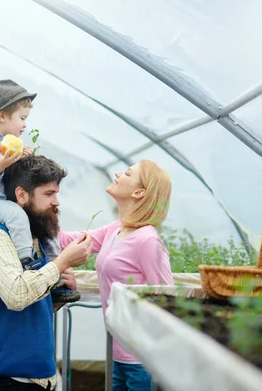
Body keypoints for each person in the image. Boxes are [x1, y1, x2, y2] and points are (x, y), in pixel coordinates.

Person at [0, 155, 93, 391]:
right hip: (6, 381)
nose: (57, 202)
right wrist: (60, 264)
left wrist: (58, 283)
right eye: (49, 193)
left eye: (57, 193)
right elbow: (16, 295)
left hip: (38, 379)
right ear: (21, 195)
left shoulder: (34, 240)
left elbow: (31, 307)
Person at [0, 79, 80, 303]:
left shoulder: (5, 144)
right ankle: (27, 261)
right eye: (22, 119)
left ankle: (57, 275)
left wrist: (18, 158)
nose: (25, 125)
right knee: (16, 214)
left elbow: (10, 179)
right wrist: (1, 164)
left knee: (43, 226)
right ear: (2, 116)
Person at [58, 160, 174, 391]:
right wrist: (35, 210)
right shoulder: (115, 230)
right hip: (117, 350)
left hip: (142, 359)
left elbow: (167, 298)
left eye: (128, 173)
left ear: (139, 192)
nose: (119, 173)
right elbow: (65, 241)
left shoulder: (147, 240)